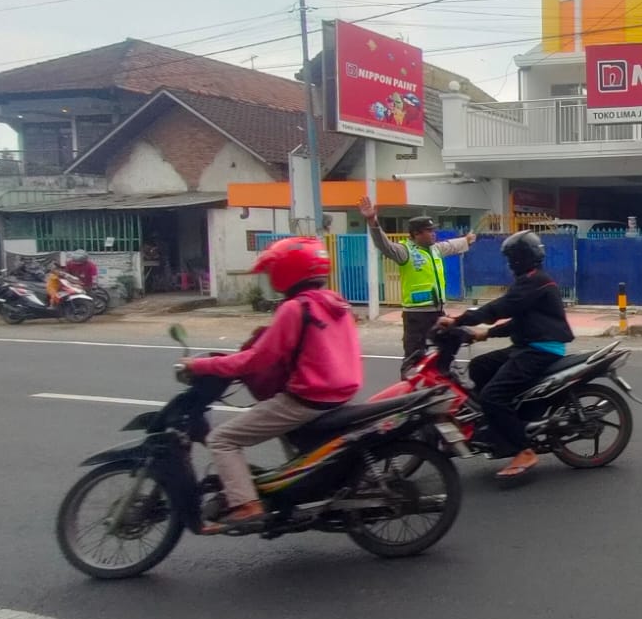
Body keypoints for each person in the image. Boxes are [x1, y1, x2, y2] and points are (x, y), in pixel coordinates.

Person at [180, 237, 362, 533]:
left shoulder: (294, 308)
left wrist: (200, 365)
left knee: (222, 439)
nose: (269, 277)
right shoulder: (334, 302)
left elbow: (256, 360)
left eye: (271, 271)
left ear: (287, 271)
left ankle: (246, 505)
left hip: (308, 400)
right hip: (338, 394)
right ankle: (294, 489)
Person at [436, 230, 574, 481]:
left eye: (511, 259)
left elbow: (499, 308)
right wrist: (485, 334)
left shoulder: (535, 281)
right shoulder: (532, 281)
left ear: (520, 258)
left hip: (541, 350)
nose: (509, 264)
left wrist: (459, 320)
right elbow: (520, 321)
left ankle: (524, 450)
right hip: (528, 345)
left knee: (492, 397)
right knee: (479, 366)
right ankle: (497, 423)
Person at [359, 197, 477, 358]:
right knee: (414, 358)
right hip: (416, 317)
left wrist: (467, 240)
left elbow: (452, 245)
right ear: (416, 233)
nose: (434, 234)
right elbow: (384, 246)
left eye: (433, 230)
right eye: (429, 231)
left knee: (445, 353)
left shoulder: (435, 249)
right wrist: (372, 222)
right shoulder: (405, 251)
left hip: (438, 312)